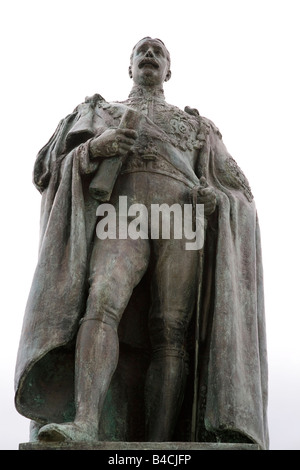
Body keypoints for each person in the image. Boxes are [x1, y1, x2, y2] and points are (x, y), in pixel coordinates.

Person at [15, 38, 269, 448]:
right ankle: (85, 423)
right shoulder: (100, 111)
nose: (149, 54)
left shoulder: (199, 128)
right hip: (121, 216)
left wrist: (215, 199)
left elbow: (240, 192)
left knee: (171, 329)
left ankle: (159, 441)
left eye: (158, 51)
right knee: (102, 300)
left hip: (182, 218)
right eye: (141, 50)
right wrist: (95, 147)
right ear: (129, 66)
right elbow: (47, 168)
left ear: (168, 70)